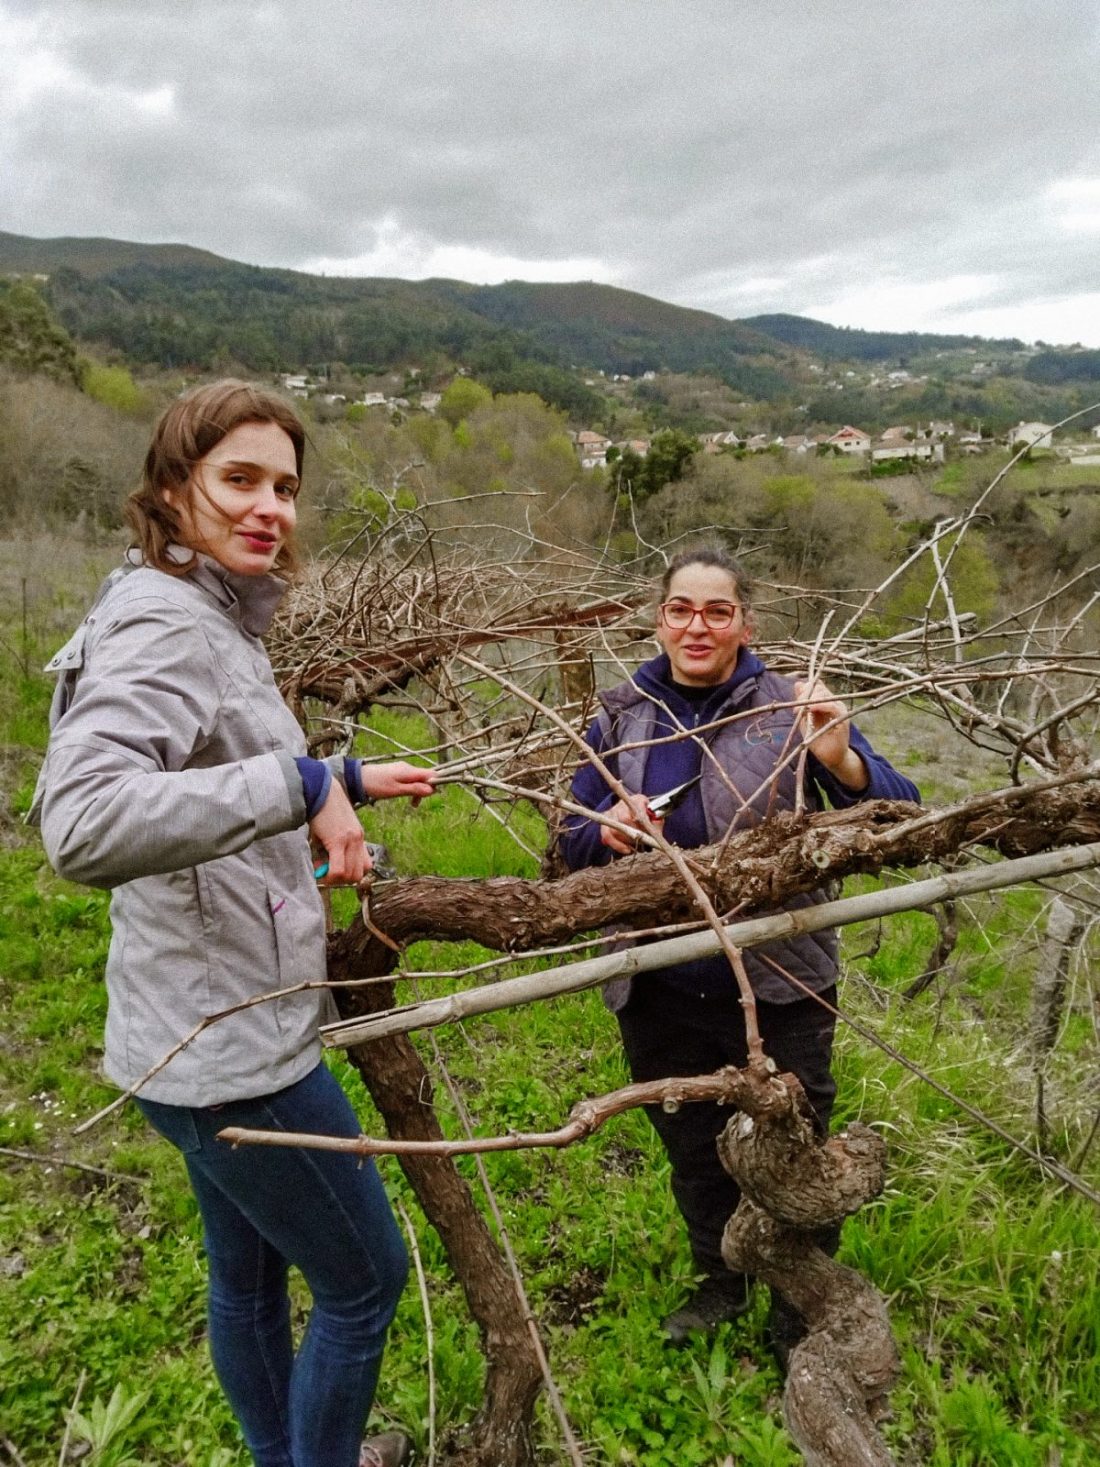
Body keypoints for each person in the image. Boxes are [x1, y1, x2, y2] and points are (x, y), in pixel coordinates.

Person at [35, 380, 434, 1467]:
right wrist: (298, 780)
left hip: (186, 1031)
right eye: (239, 481)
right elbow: (82, 823)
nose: (271, 508)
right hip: (232, 1053)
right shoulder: (169, 622)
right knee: (364, 1284)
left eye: (286, 487)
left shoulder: (202, 607)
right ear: (174, 491)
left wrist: (338, 773)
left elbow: (210, 765)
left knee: (248, 1274)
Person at [559, 545, 919, 1356]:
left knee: (795, 1153)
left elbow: (901, 819)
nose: (697, 625)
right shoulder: (619, 716)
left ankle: (802, 1304)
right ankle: (719, 1279)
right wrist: (607, 834)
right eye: (681, 608)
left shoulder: (788, 708)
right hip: (655, 982)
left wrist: (841, 758)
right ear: (658, 620)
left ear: (745, 624)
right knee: (693, 1148)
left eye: (717, 611)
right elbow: (568, 841)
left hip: (781, 977)